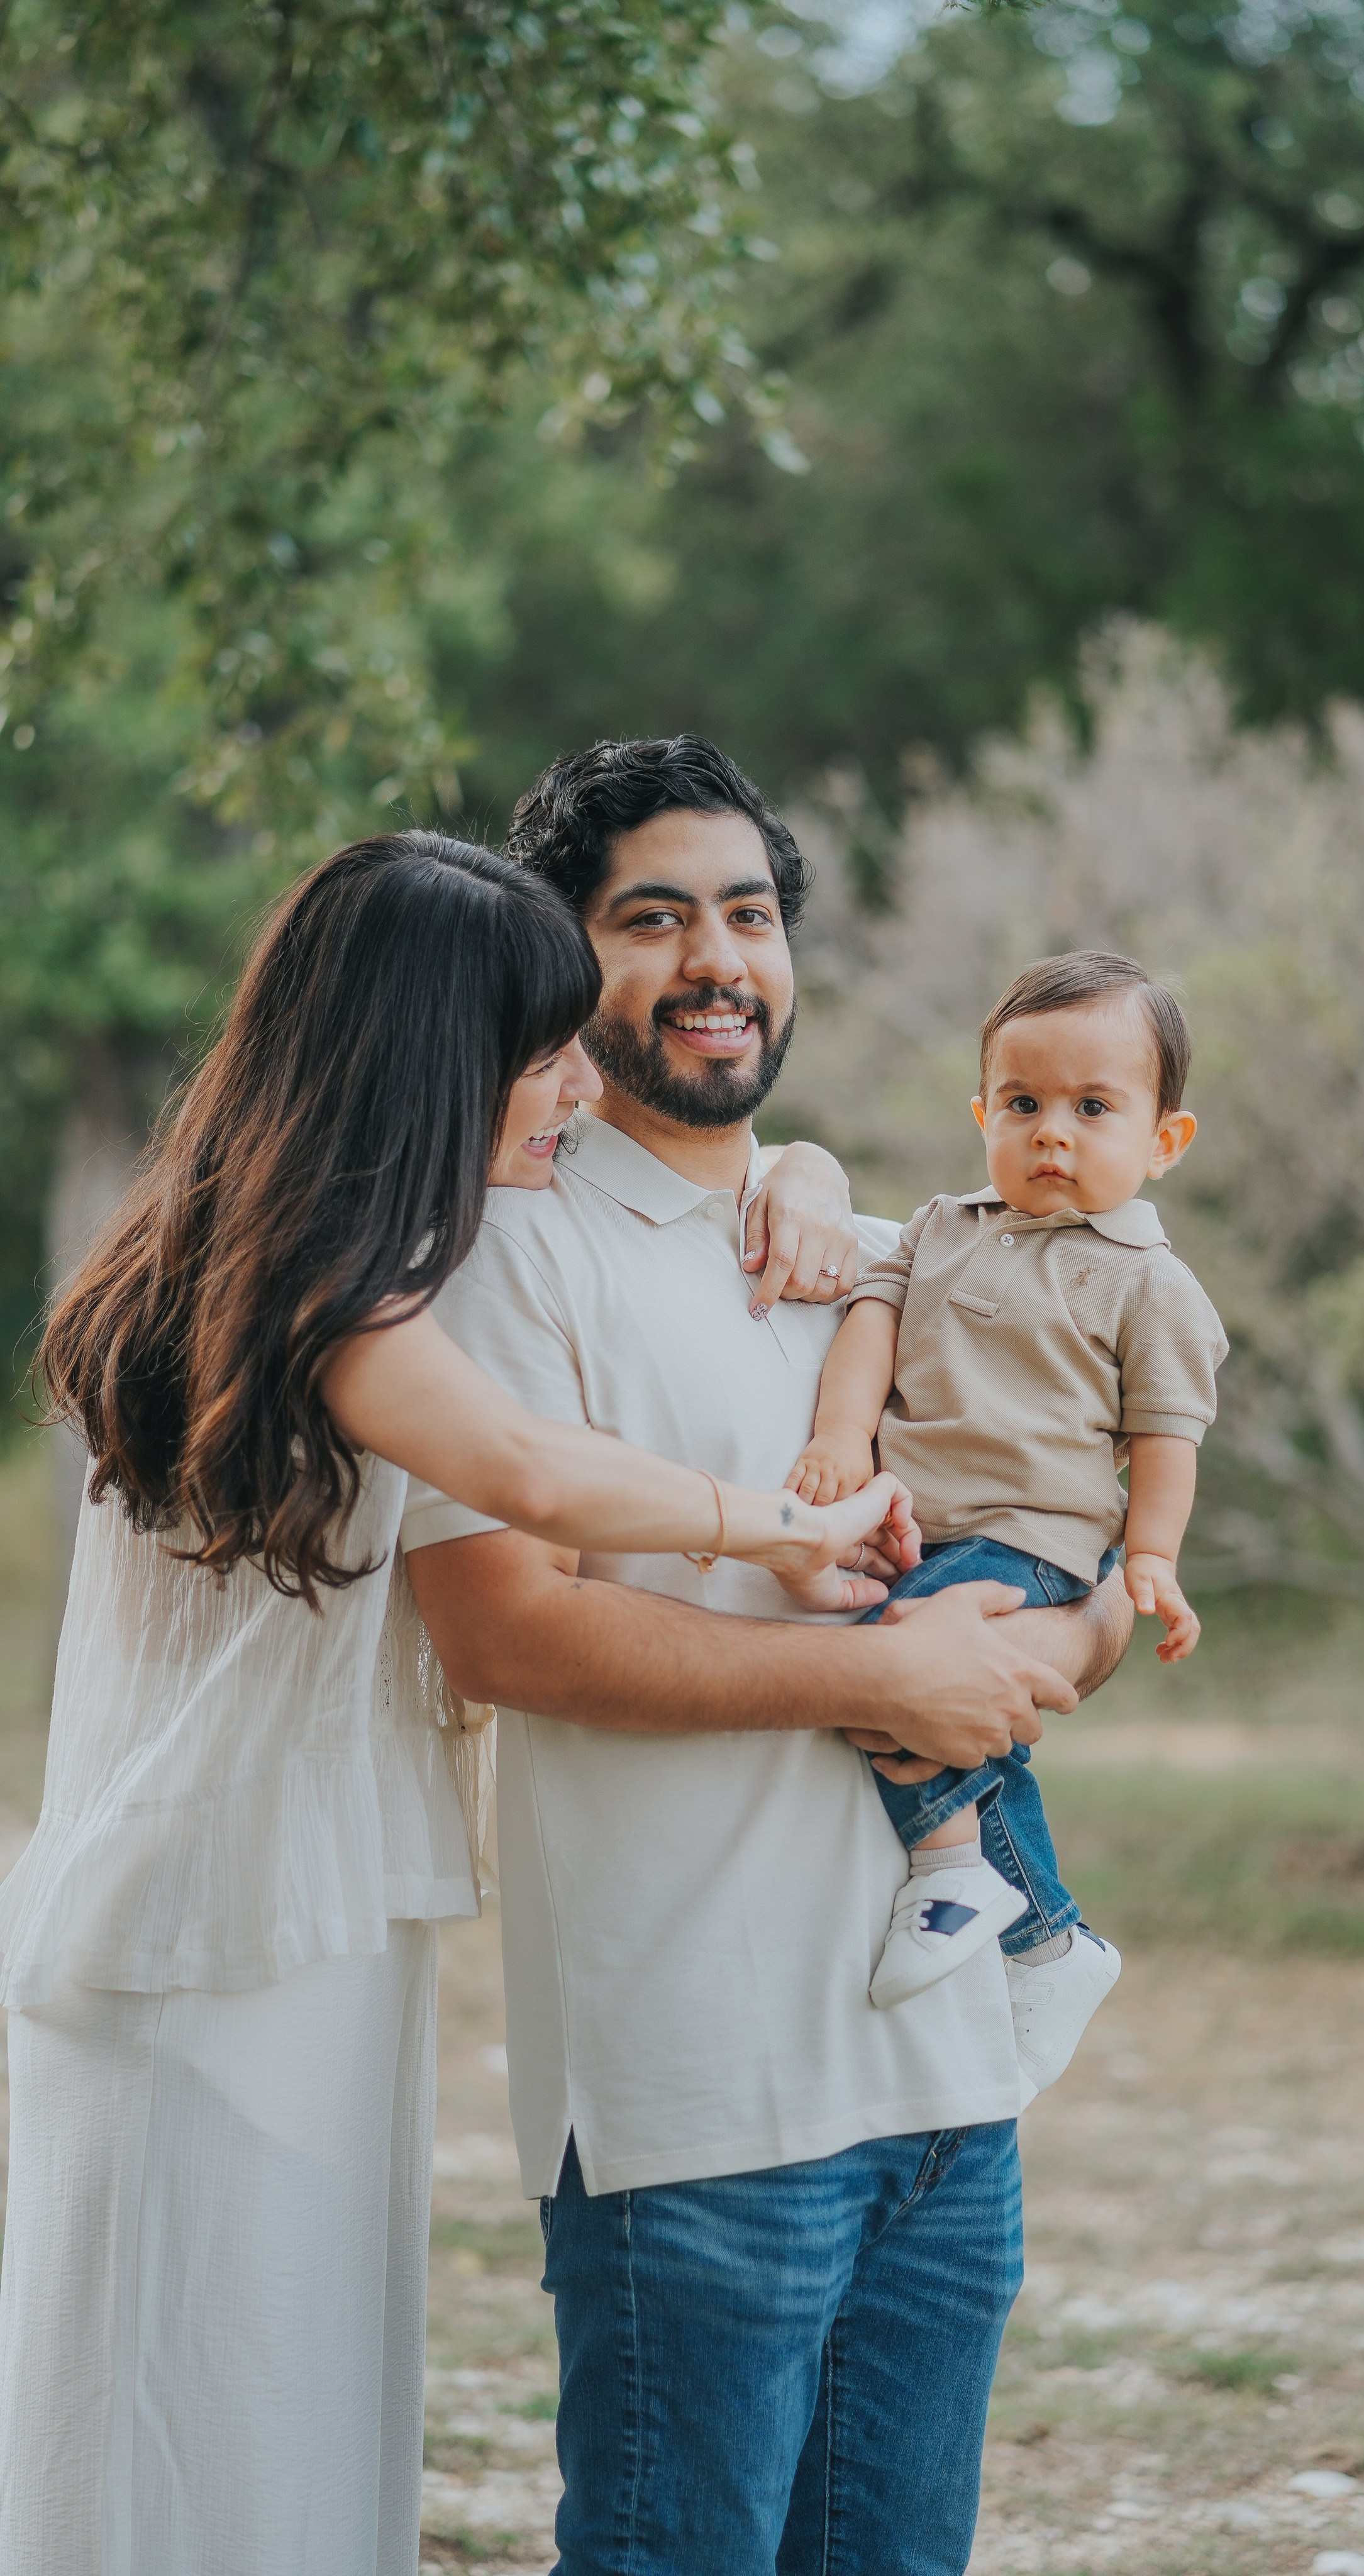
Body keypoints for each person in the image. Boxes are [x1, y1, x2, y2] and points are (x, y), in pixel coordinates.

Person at [0, 830, 919, 2576]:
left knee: (259, 2433)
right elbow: (529, 1468)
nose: (577, 1082)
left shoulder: (261, 1241)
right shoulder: (330, 1297)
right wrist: (771, 1522)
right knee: (207, 2441)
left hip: (268, 1915)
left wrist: (794, 1163)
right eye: (544, 1046)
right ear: (436, 1055)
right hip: (224, 1938)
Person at [403, 737, 1137, 2576]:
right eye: (652, 919)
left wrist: (1060, 1634)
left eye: (749, 912)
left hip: (948, 2098)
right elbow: (502, 1626)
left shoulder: (891, 1252)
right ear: (566, 962)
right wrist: (879, 1681)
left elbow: (1072, 1583)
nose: (715, 957)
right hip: (696, 2098)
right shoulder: (503, 1251)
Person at [790, 948, 1229, 2089]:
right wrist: (842, 1440)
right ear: (983, 1112)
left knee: (898, 1664)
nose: (1052, 1135)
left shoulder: (1151, 1283)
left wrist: (1150, 1560)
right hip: (909, 1522)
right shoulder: (938, 1226)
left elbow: (1164, 1438)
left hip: (1029, 1541)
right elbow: (870, 1330)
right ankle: (1041, 1934)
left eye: (1094, 1109)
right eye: (1024, 1106)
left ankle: (975, 1886)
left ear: (1161, 1141)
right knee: (877, 1668)